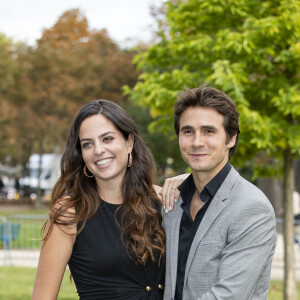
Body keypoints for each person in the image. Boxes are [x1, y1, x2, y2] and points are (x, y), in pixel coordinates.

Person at [32, 99, 175, 300]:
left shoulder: (161, 201)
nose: (98, 150)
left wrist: (189, 182)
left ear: (129, 142)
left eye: (107, 139)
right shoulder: (70, 214)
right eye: (87, 144)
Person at [161, 84, 277, 300]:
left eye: (208, 131)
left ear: (231, 138)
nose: (196, 142)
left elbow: (229, 295)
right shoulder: (173, 201)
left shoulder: (251, 208)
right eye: (188, 131)